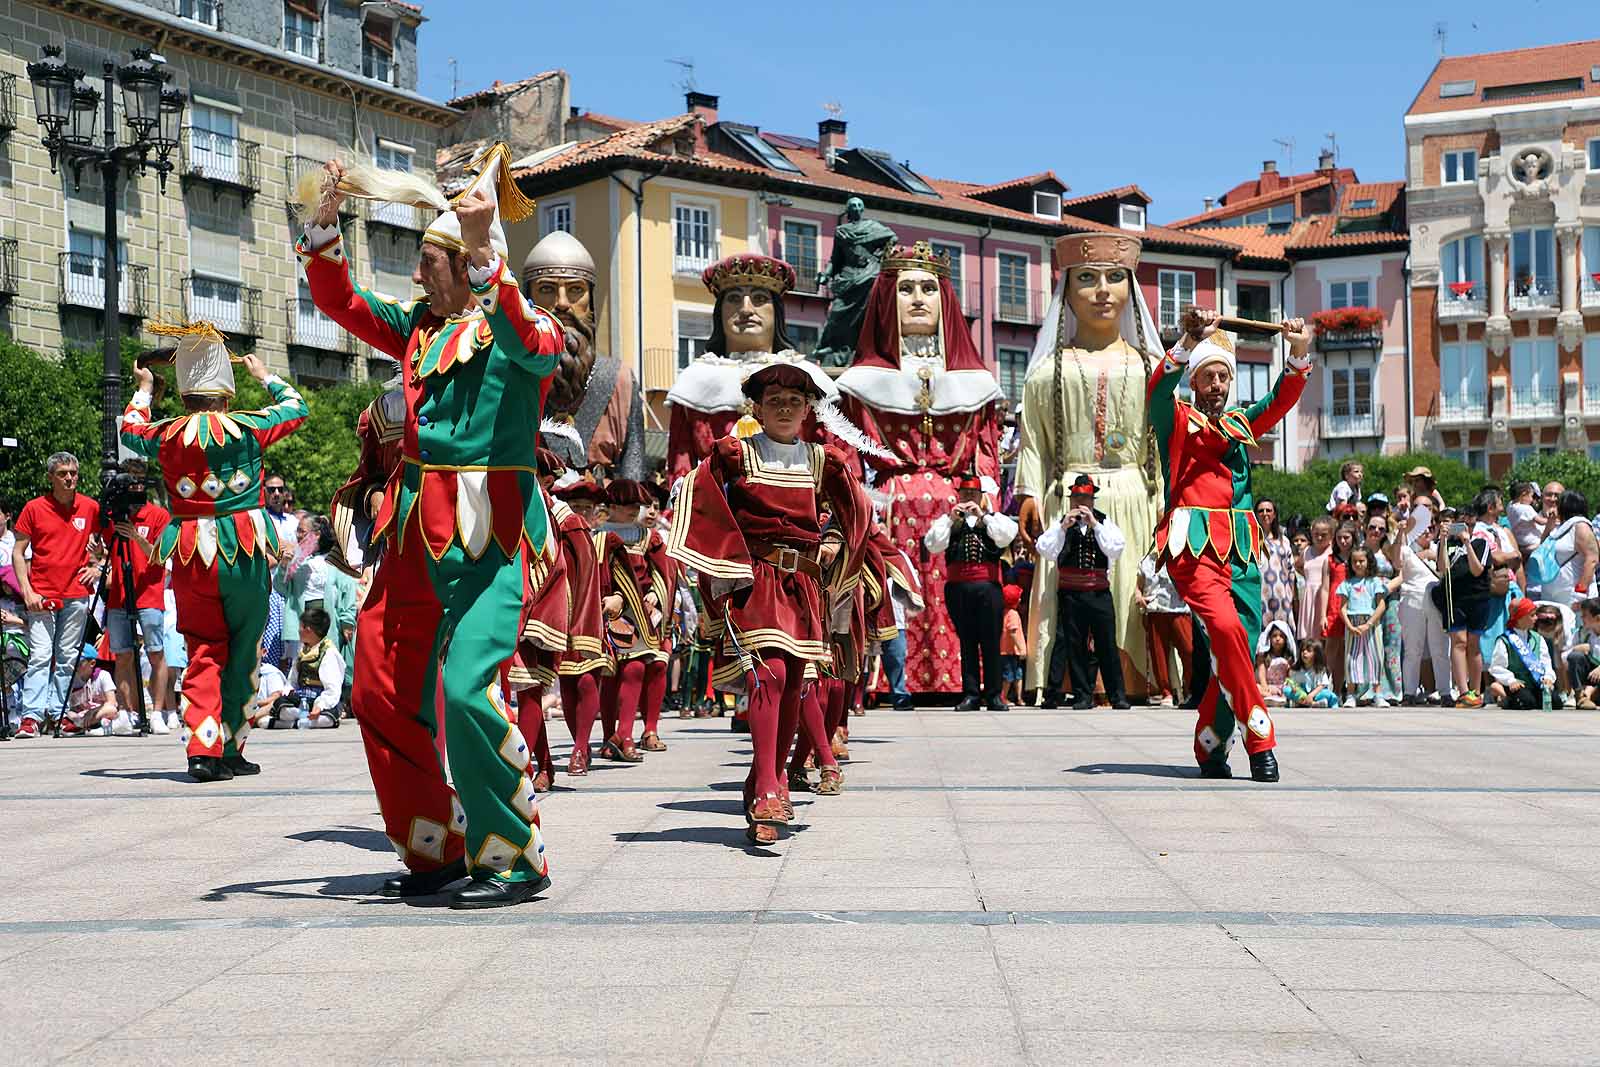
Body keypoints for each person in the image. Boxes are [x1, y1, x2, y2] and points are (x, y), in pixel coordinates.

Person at [298, 146, 564, 908]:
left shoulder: (519, 328)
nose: (416, 277)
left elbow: (533, 343)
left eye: (428, 262)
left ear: (468, 262)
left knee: (467, 688)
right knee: (377, 689)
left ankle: (513, 857)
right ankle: (437, 846)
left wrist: (485, 252)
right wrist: (325, 230)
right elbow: (344, 303)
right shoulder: (416, 330)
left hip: (494, 534)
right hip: (417, 528)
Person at [667, 361, 870, 845]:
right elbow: (697, 497)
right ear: (755, 408)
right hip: (755, 578)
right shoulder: (735, 453)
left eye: (794, 401)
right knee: (770, 674)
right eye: (773, 400)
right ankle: (766, 791)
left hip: (804, 582)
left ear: (807, 410)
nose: (784, 408)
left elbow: (856, 511)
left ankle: (770, 776)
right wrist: (720, 566)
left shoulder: (823, 461)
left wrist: (837, 545)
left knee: (796, 683)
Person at [123, 325, 307, 779]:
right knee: (245, 651)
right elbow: (297, 408)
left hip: (190, 553)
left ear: (185, 396)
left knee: (203, 648)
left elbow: (130, 431)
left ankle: (202, 749)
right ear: (225, 394)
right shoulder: (247, 427)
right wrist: (265, 376)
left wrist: (145, 390)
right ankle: (230, 744)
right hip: (243, 549)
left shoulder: (166, 435)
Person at [1147, 306, 1313, 781]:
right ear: (1195, 383)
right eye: (1208, 377)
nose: (1217, 384)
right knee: (1225, 632)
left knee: (1235, 646)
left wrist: (1297, 350)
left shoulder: (1242, 426)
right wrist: (1184, 342)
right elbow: (1157, 390)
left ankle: (1209, 745)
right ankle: (1260, 736)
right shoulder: (1176, 421)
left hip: (1241, 554)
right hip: (1195, 548)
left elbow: (1281, 399)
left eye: (1223, 376)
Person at [836, 241, 1004, 696]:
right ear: (887, 301)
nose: (917, 298)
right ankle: (895, 682)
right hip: (888, 507)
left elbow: (985, 452)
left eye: (929, 288)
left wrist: (986, 500)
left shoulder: (976, 384)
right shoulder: (859, 383)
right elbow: (848, 453)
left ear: (944, 300)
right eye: (905, 288)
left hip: (958, 504)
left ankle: (968, 682)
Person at [1017, 234, 1162, 702]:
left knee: (1129, 596)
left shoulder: (1152, 370)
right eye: (1087, 279)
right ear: (1068, 292)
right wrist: (1028, 495)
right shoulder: (1045, 373)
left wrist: (1166, 503)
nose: (1102, 290)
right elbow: (1035, 444)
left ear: (1130, 289)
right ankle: (1069, 684)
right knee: (1073, 600)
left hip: (1135, 498)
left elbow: (1163, 450)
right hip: (1070, 500)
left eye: (1115, 278)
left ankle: (1136, 681)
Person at [522, 230, 645, 478]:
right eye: (546, 289)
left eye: (576, 289)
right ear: (528, 298)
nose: (563, 303)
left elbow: (633, 474)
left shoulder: (619, 379)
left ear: (590, 300)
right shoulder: (508, 373)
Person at [11, 452, 100, 738]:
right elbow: (17, 552)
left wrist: (96, 568)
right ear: (51, 477)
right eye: (63, 473)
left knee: (67, 656)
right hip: (41, 593)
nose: (70, 478)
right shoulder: (34, 508)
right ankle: (31, 717)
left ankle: (57, 712)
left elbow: (105, 547)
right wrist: (27, 590)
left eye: (73, 472)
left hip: (76, 593)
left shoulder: (90, 507)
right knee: (40, 654)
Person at [923, 474, 1018, 710]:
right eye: (964, 494)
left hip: (987, 588)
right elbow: (933, 544)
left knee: (990, 642)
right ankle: (972, 694)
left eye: (973, 495)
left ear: (980, 496)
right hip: (959, 588)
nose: (968, 499)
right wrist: (949, 519)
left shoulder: (993, 519)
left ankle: (994, 695)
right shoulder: (949, 522)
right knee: (967, 642)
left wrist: (983, 516)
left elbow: (1007, 535)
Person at [595, 478, 673, 762]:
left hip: (642, 614)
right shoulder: (598, 536)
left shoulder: (648, 538)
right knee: (610, 675)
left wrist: (656, 595)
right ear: (611, 506)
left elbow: (664, 573)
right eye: (628, 506)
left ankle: (625, 735)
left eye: (636, 506)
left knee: (637, 668)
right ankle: (608, 737)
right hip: (609, 613)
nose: (634, 510)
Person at [1036, 474, 1127, 710]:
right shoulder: (1061, 524)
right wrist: (1063, 527)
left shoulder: (1105, 523)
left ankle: (1117, 695)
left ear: (1092, 500)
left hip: (1098, 593)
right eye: (1077, 498)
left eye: (1085, 498)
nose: (1081, 503)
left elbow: (1115, 548)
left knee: (1106, 644)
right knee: (1074, 646)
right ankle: (1082, 696)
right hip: (1071, 594)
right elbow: (1045, 550)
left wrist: (1095, 525)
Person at [98, 459, 172, 733]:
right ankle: (129, 712)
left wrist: (136, 537)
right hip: (119, 593)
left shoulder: (158, 515)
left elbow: (161, 555)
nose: (135, 486)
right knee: (124, 655)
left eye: (139, 481)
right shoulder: (116, 516)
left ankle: (157, 712)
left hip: (149, 593)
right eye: (129, 481)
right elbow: (102, 544)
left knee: (156, 653)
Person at [551, 475, 609, 775]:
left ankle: (579, 748)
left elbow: (620, 582)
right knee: (569, 686)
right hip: (562, 618)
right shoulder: (557, 536)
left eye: (587, 507)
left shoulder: (604, 540)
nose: (581, 512)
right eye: (575, 505)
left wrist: (617, 602)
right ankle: (581, 745)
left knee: (588, 681)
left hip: (594, 619)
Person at [1434, 502, 1494, 708]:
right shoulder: (1448, 543)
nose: (1466, 528)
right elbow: (1442, 568)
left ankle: (1476, 691)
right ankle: (1462, 691)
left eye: (1470, 524)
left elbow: (1477, 570)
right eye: (1462, 524)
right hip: (1454, 597)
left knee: (1474, 644)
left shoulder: (1481, 543)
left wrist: (1467, 544)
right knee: (1459, 641)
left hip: (1477, 597)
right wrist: (1442, 540)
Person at [1394, 519, 1451, 704]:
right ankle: (1409, 692)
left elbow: (1444, 568)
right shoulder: (1406, 547)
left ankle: (1445, 692)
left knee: (1440, 649)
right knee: (1413, 649)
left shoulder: (1439, 546)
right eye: (1423, 529)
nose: (1427, 532)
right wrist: (1400, 534)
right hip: (1412, 598)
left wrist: (1442, 540)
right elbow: (1396, 562)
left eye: (1431, 528)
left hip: (1435, 598)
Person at [1137, 551, 1192, 708]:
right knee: (1158, 654)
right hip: (1156, 609)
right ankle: (1166, 692)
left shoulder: (1184, 554)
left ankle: (1190, 689)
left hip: (1180, 609)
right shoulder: (1148, 558)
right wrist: (1139, 596)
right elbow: (1139, 585)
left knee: (1189, 651)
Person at [1337, 545, 1389, 707]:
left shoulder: (1375, 582)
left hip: (1371, 624)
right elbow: (1342, 608)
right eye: (1354, 561)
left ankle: (1378, 693)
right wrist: (1349, 626)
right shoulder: (1347, 584)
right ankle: (1351, 694)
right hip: (1353, 624)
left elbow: (1381, 605)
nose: (1358, 564)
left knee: (1376, 657)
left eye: (1361, 561)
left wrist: (1369, 623)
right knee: (1352, 659)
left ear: (1369, 562)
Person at [1487, 597, 1557, 710]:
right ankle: (1503, 696)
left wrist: (1548, 677)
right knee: (1526, 702)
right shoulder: (1505, 640)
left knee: (1555, 701)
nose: (1536, 618)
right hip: (1517, 684)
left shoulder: (1537, 638)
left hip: (1536, 682)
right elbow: (1497, 666)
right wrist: (1511, 680)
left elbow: (1546, 663)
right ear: (1520, 617)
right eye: (1532, 615)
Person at [280, 606, 344, 728]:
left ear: (308, 629)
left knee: (329, 716)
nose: (298, 630)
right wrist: (287, 693)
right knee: (281, 706)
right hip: (301, 698)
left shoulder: (328, 652)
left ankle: (292, 722)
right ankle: (302, 720)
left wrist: (320, 704)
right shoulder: (302, 650)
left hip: (318, 699)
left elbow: (333, 688)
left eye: (300, 627)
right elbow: (292, 680)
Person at [1363, 515, 1404, 702]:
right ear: (1365, 528)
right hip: (1366, 602)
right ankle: (1367, 690)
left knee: (1391, 645)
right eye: (1373, 527)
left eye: (1381, 529)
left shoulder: (1389, 550)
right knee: (1369, 645)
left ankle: (1393, 691)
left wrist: (1385, 588)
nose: (1376, 532)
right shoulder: (1360, 551)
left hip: (1390, 601)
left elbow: (1400, 574)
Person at [1534, 490, 1597, 608]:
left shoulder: (1581, 526)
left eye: (1558, 504)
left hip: (1573, 596)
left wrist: (1580, 592)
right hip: (1552, 594)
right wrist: (1549, 525)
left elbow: (1592, 559)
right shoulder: (1560, 527)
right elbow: (1543, 548)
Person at [1255, 497, 1297, 640]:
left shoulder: (1283, 540)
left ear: (1274, 514)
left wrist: (1290, 595)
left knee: (1283, 636)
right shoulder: (1251, 539)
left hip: (1282, 595)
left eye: (1268, 510)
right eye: (1261, 511)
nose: (1265, 513)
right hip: (1260, 595)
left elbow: (1290, 570)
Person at [59, 645, 124, 736]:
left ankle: (82, 726)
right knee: (67, 714)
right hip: (79, 716)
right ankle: (82, 725)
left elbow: (111, 702)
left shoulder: (103, 676)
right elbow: (69, 707)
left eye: (79, 663)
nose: (74, 665)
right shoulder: (71, 678)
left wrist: (93, 711)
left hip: (99, 713)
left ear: (92, 663)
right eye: (73, 662)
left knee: (111, 709)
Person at [1298, 516, 1334, 655]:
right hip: (1309, 595)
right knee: (1308, 636)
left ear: (1330, 535)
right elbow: (1298, 566)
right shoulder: (1307, 551)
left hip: (1324, 595)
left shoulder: (1331, 552)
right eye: (1316, 534)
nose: (1319, 538)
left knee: (1323, 636)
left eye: (1323, 535)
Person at [1564, 597, 1600, 709]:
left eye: (1585, 615)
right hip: (1590, 677)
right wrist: (1576, 648)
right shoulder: (1581, 633)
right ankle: (1580, 696)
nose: (1581, 618)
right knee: (1575, 657)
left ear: (1597, 618)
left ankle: (1588, 695)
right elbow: (1564, 657)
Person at [1284, 639, 1339, 708]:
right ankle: (1313, 704)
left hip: (1315, 694)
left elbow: (1322, 685)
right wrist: (1295, 688)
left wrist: (1311, 695)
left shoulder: (1320, 670)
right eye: (1302, 650)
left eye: (1308, 651)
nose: (1304, 652)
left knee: (1328, 694)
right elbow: (1292, 683)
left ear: (1316, 654)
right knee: (1287, 690)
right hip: (1301, 695)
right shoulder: (1296, 669)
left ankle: (1301, 704)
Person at [1255, 621, 1295, 707]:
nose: (1277, 639)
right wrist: (1265, 686)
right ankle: (1270, 698)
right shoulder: (1264, 656)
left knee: (1290, 690)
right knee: (1255, 687)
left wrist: (1286, 687)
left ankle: (1280, 699)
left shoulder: (1288, 657)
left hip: (1283, 687)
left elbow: (1290, 676)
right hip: (1268, 687)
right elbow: (1262, 674)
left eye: (1281, 636)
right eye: (1274, 636)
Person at [1000, 584, 1026, 707]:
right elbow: (1013, 632)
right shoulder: (1013, 614)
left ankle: (1019, 698)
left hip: (1008, 651)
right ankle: (1004, 697)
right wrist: (1021, 648)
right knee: (1010, 676)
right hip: (1011, 651)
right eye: (1018, 598)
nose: (1020, 599)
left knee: (1016, 675)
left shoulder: (1004, 613)